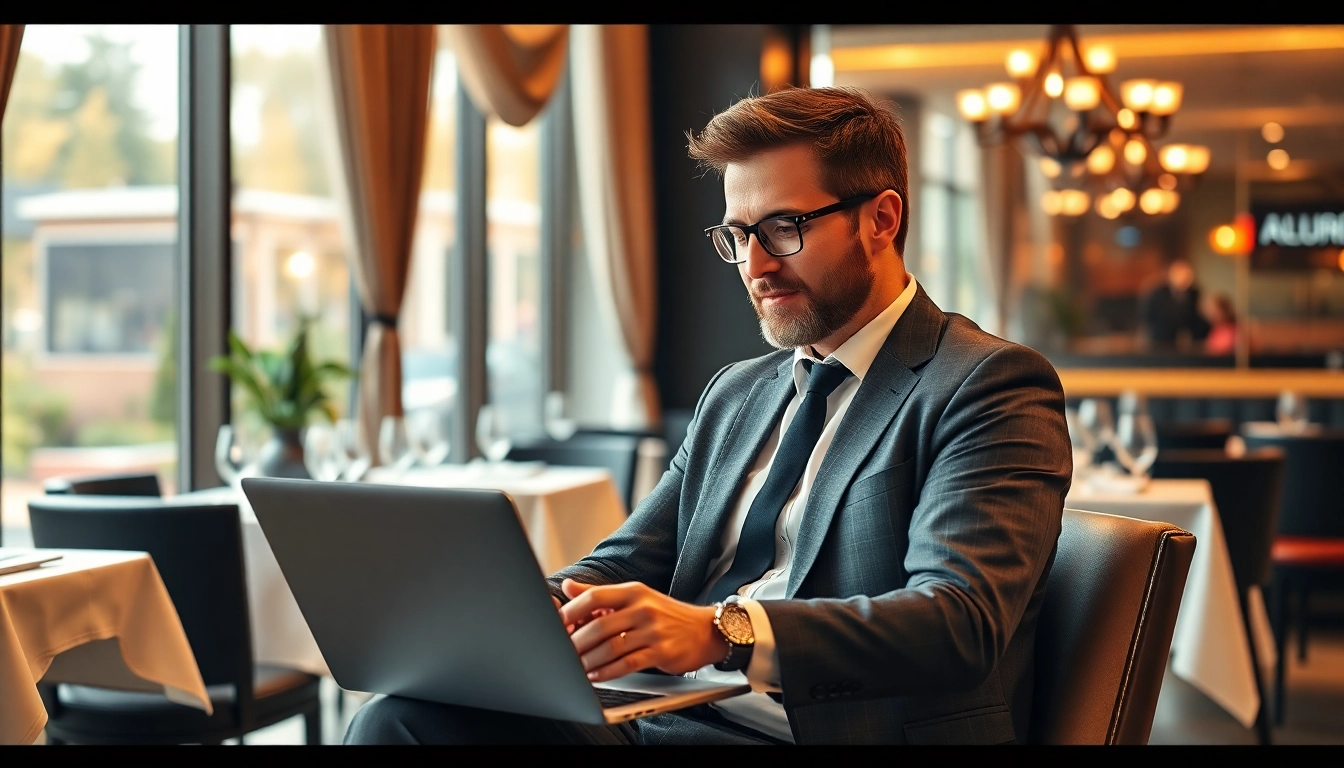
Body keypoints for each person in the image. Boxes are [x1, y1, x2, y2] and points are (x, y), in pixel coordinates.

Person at [345, 86, 1072, 745]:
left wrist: (724, 633)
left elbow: (957, 623)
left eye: (784, 227)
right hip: (670, 720)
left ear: (881, 220)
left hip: (827, 732)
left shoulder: (985, 383)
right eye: (737, 235)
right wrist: (505, 610)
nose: (754, 265)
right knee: (398, 718)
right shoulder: (738, 393)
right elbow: (628, 562)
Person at [1140, 259, 1211, 352]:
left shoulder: (1194, 293)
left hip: (1188, 342)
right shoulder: (1158, 293)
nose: (1182, 279)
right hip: (1161, 341)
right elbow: (1147, 316)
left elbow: (1196, 317)